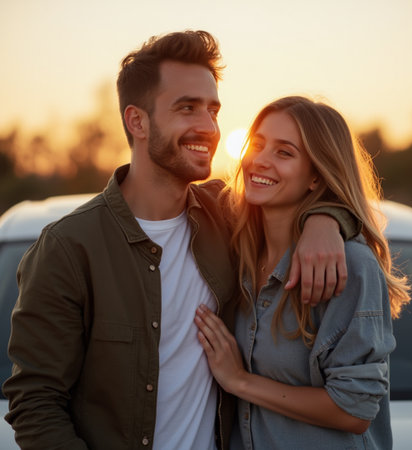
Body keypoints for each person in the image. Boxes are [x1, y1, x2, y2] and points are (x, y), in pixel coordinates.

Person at [2, 33, 359, 450]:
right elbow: (36, 405)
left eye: (213, 110)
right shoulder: (68, 248)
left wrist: (325, 220)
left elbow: (308, 194)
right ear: (137, 121)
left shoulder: (227, 219)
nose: (207, 127)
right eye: (187, 108)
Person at [195, 96, 411, 449]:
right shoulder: (235, 246)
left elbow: (354, 410)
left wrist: (239, 380)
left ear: (316, 177)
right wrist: (329, 217)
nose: (260, 161)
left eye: (284, 152)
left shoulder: (350, 266)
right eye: (259, 144)